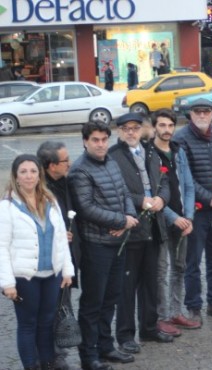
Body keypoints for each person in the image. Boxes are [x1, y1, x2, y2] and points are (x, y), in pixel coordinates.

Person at [68, 121, 139, 370]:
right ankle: (89, 356)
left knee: (111, 298)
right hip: (96, 245)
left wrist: (128, 221)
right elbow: (86, 209)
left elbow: (125, 194)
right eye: (95, 140)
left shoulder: (111, 161)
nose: (100, 144)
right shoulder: (79, 170)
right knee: (92, 303)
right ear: (85, 141)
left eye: (104, 139)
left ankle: (106, 347)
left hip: (118, 240)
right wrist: (122, 220)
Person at [0, 154, 74, 370]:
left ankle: (48, 364)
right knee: (27, 325)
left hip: (52, 274)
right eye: (23, 172)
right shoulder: (7, 207)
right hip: (24, 277)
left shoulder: (50, 201)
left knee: (47, 323)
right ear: (16, 176)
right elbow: (1, 246)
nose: (29, 176)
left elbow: (61, 238)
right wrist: (7, 284)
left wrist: (67, 270)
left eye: (33, 171)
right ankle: (30, 366)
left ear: (39, 174)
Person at [108, 113, 174, 354]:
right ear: (119, 132)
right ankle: (125, 335)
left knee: (150, 283)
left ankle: (149, 326)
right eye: (126, 128)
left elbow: (164, 182)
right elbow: (115, 190)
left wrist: (161, 199)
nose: (131, 132)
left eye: (135, 128)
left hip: (154, 227)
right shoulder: (113, 157)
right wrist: (140, 201)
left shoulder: (150, 152)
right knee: (127, 286)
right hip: (132, 229)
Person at [172, 98, 212, 323]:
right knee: (193, 261)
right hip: (196, 209)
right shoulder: (181, 138)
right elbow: (185, 176)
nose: (201, 115)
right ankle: (194, 306)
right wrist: (210, 199)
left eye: (206, 111)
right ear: (190, 115)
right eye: (197, 111)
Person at [151, 109, 199, 336]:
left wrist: (188, 217)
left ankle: (176, 312)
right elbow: (150, 192)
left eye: (170, 125)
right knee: (161, 271)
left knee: (180, 267)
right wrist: (174, 217)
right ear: (154, 127)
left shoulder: (178, 152)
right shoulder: (148, 153)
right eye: (162, 125)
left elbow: (188, 186)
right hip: (160, 220)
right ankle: (161, 317)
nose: (166, 130)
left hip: (183, 219)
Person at [36, 141, 79, 370]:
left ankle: (57, 352)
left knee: (62, 305)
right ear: (52, 165)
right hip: (47, 262)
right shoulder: (39, 190)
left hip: (66, 258)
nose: (69, 163)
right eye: (65, 160)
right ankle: (48, 356)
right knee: (49, 309)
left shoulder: (64, 182)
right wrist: (57, 236)